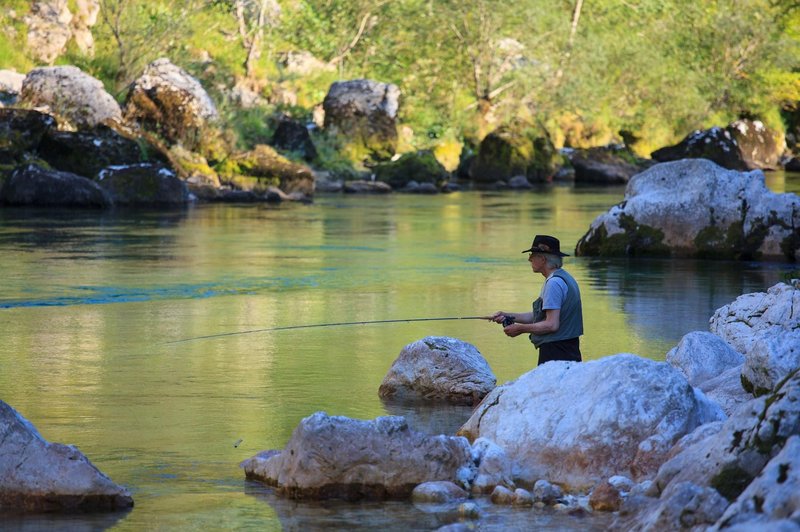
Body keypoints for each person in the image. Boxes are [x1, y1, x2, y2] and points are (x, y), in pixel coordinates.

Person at [490, 234, 584, 365]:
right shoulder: (562, 277)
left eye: (532, 255)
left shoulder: (553, 284)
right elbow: (539, 316)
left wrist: (520, 329)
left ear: (543, 259)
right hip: (568, 350)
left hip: (557, 353)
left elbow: (551, 325)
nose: (529, 259)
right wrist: (507, 315)